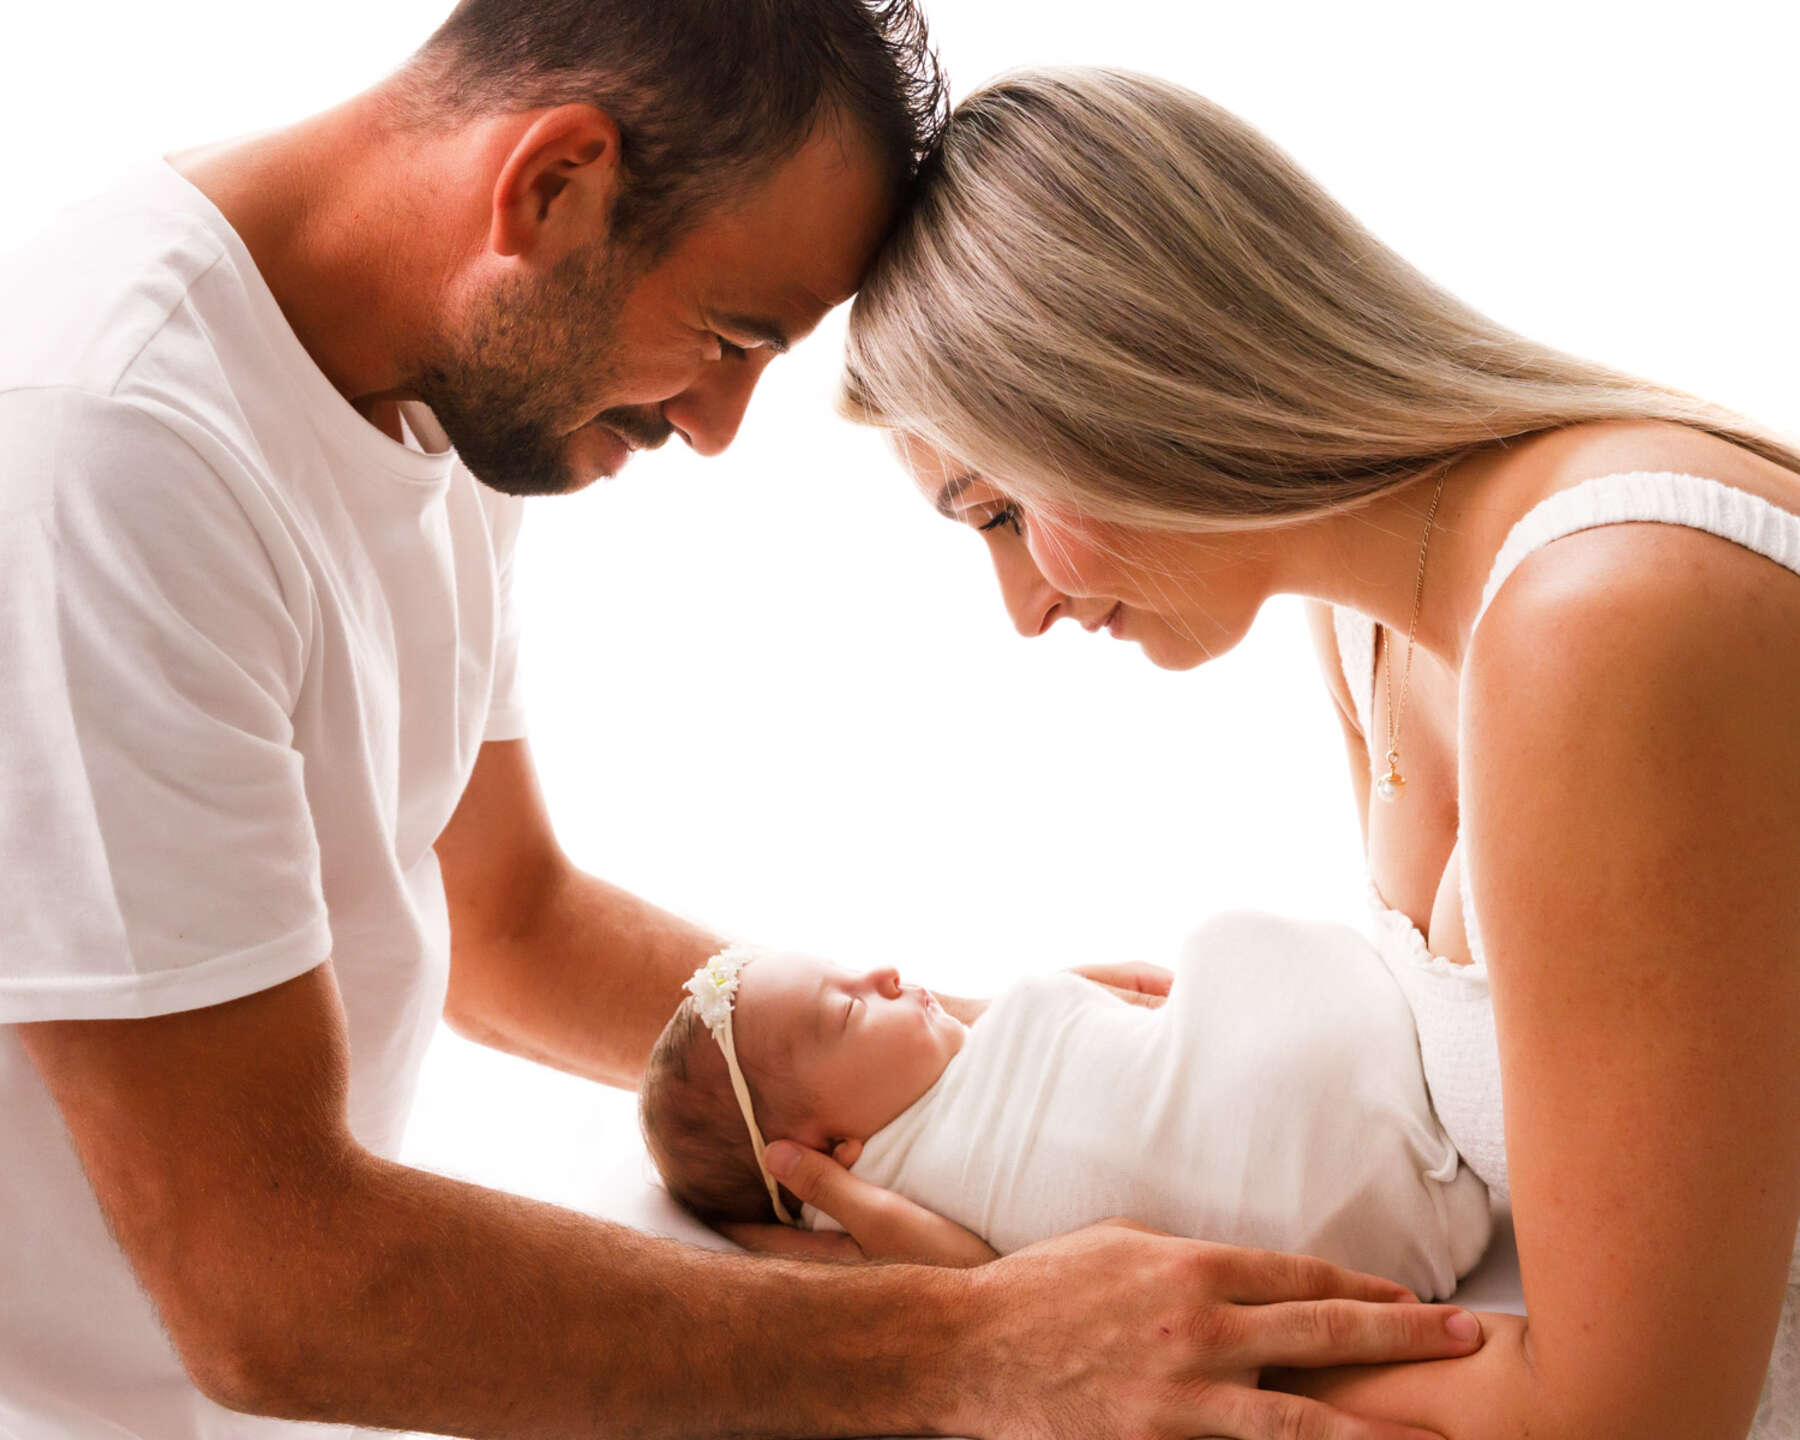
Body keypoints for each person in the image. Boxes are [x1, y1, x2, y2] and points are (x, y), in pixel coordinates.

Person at [0, 9, 1487, 1440]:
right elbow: (267, 1290)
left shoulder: (440, 381)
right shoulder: (109, 453)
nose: (716, 427)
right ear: (556, 182)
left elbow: (506, 920)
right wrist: (978, 1347)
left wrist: (971, 1054)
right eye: (729, 335)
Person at [800, 64, 1800, 1439]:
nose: (1020, 605)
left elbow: (1626, 1422)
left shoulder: (1601, 621)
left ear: (1126, 380)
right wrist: (1028, 1091)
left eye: (999, 512)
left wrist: (1032, 1325)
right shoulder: (1368, 626)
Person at [641, 923, 1492, 1299]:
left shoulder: (949, 1076)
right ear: (827, 1150)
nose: (887, 975)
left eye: (854, 970)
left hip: (1387, 1213)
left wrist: (1055, 1008)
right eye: (848, 1011)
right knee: (1228, 952)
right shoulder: (891, 1200)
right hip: (1343, 1133)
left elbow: (1052, 1048)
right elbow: (971, 1277)